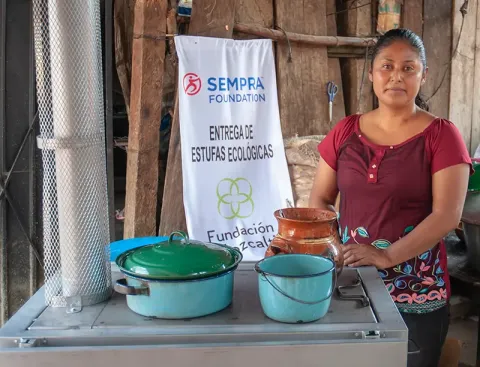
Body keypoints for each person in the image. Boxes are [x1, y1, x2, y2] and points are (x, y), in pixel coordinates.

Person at [309, 28, 472, 367]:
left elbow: (447, 215)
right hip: (350, 285)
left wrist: (387, 256)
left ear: (423, 76)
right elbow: (320, 201)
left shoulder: (442, 136)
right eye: (387, 66)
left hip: (417, 293)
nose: (396, 76)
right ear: (371, 74)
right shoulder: (345, 131)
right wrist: (336, 249)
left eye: (408, 68)